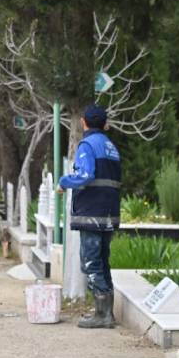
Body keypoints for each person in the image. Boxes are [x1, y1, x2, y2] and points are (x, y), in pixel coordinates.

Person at [59, 104, 122, 329]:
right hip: (108, 213)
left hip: (91, 213)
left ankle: (103, 315)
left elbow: (85, 175)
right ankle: (106, 313)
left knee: (91, 262)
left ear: (83, 122)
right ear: (104, 124)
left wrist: (64, 182)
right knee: (103, 262)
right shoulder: (110, 146)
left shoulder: (87, 144)